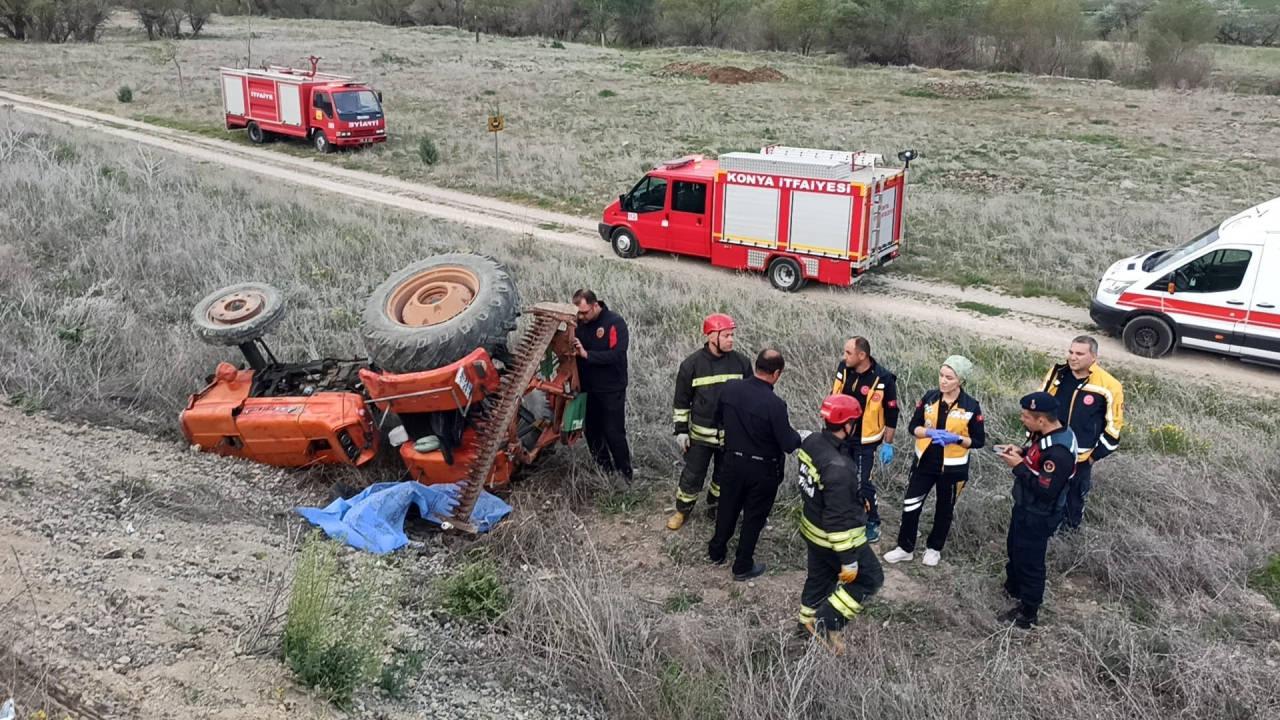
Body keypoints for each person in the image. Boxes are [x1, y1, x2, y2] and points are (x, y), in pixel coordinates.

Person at [796, 394, 884, 654]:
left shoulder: (811, 442)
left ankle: (804, 624)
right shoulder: (839, 468)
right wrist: (848, 559)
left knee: (819, 579)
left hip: (812, 529)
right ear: (847, 425)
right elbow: (837, 520)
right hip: (836, 539)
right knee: (869, 580)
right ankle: (825, 623)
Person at [707, 349, 802, 581]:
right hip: (762, 470)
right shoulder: (775, 405)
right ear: (776, 373)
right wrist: (801, 436)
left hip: (731, 461)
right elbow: (788, 443)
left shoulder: (730, 388)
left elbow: (717, 417)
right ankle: (742, 565)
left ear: (756, 365)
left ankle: (717, 551)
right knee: (754, 518)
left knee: (727, 507)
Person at [884, 355, 985, 567]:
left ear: (961, 380)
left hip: (953, 468)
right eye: (941, 375)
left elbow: (978, 440)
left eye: (949, 377)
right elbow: (913, 427)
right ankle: (905, 547)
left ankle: (934, 548)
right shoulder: (930, 398)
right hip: (925, 462)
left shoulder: (971, 406)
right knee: (911, 505)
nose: (943, 381)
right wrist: (928, 432)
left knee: (944, 509)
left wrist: (956, 438)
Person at [995, 392, 1078, 629]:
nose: (1022, 419)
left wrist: (1018, 467)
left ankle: (1028, 612)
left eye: (1026, 416)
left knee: (1030, 562)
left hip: (1039, 514)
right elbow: (1037, 455)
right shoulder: (1050, 434)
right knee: (1015, 549)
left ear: (1041, 420)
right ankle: (1014, 588)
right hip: (1025, 507)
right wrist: (1022, 452)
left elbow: (1046, 490)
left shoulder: (1059, 452)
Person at [667, 313, 753, 531]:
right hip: (700, 437)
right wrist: (681, 431)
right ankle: (682, 511)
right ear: (711, 336)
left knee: (724, 477)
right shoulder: (692, 365)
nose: (731, 340)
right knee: (692, 476)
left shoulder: (742, 363)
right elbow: (681, 401)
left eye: (732, 335)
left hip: (731, 437)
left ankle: (714, 508)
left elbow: (751, 397)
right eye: (726, 335)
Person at [1038, 335, 1125, 531]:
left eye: (1079, 353)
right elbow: (1039, 405)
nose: (1072, 357)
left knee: (1073, 500)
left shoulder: (1109, 385)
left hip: (1081, 458)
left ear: (1093, 357)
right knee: (1044, 493)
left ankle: (1068, 536)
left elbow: (1114, 427)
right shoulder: (1057, 373)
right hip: (1050, 450)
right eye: (1070, 352)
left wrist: (1092, 458)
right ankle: (1044, 530)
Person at [830, 337, 900, 543]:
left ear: (862, 356)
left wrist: (888, 443)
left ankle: (872, 521)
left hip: (865, 440)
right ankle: (846, 516)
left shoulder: (883, 378)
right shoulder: (844, 368)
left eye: (848, 353)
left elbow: (892, 412)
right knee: (840, 478)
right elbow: (834, 394)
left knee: (862, 482)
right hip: (841, 436)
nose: (844, 357)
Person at [572, 289, 633, 481]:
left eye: (585, 312)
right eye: (579, 313)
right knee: (593, 431)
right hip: (588, 388)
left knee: (613, 431)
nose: (581, 317)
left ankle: (625, 473)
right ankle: (604, 470)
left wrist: (587, 355)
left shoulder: (614, 323)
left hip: (610, 388)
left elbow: (617, 354)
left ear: (595, 305)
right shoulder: (579, 324)